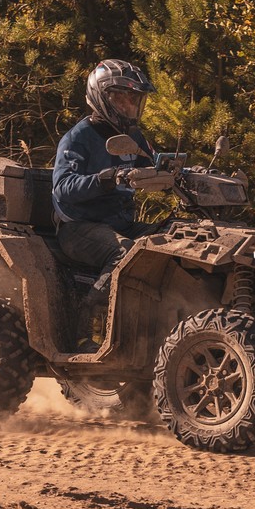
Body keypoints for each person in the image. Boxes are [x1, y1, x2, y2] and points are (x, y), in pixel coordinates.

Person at [52, 61, 160, 318]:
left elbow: (154, 166)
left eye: (134, 100)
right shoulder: (78, 137)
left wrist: (187, 174)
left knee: (173, 239)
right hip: (79, 227)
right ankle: (88, 322)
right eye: (121, 99)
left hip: (120, 224)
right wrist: (107, 179)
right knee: (124, 252)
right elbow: (62, 188)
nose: (129, 106)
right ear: (102, 97)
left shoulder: (134, 136)